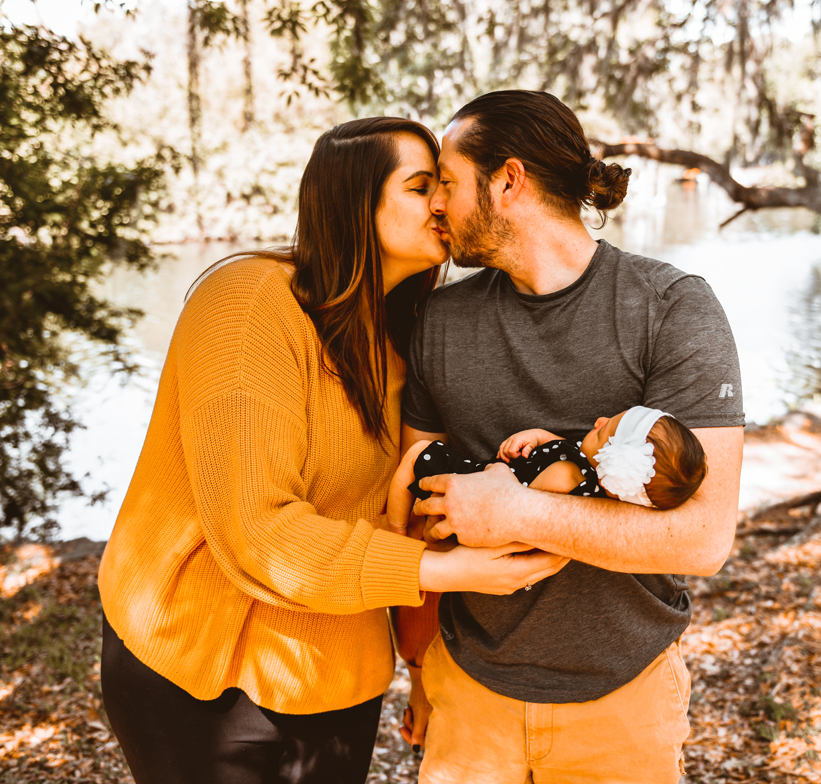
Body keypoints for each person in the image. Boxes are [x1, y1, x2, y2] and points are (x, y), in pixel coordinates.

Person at [96, 116, 568, 784]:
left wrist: (421, 666)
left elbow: (402, 523)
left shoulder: (401, 342)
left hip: (334, 677)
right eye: (419, 185)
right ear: (352, 199)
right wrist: (459, 572)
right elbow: (257, 532)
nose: (443, 202)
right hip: (198, 667)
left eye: (443, 184)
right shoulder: (250, 303)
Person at [394, 91, 745, 784]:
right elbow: (420, 519)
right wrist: (421, 671)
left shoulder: (672, 309)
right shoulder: (438, 322)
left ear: (509, 182)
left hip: (624, 702)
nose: (434, 203)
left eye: (447, 183)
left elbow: (702, 540)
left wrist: (519, 514)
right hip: (469, 693)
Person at [387, 406, 708, 537]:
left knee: (420, 454)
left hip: (474, 489)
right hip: (482, 491)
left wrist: (500, 468)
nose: (597, 422)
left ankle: (396, 527)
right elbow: (563, 448)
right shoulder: (585, 473)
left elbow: (513, 501)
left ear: (613, 460)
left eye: (603, 431)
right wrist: (538, 436)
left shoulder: (568, 475)